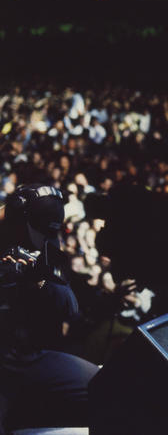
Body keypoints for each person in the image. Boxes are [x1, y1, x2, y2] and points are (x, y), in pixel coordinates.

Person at [0, 184, 99, 433]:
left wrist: (38, 280)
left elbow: (70, 306)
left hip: (25, 354)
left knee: (105, 387)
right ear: (17, 215)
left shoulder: (44, 236)